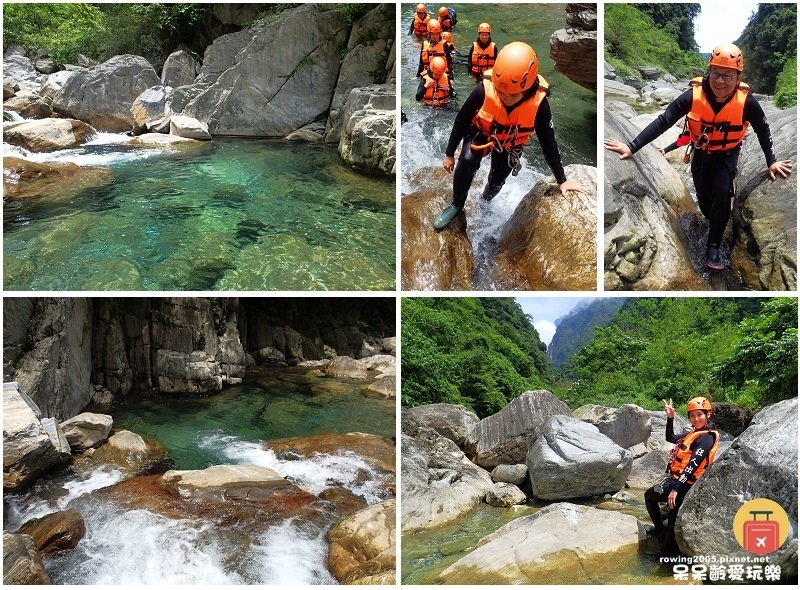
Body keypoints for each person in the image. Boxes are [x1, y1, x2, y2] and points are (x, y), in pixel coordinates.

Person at [604, 43, 792, 271]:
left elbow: (763, 130)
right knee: (704, 202)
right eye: (715, 73)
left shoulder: (747, 102)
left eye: (727, 76)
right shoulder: (693, 96)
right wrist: (632, 146)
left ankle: (713, 246)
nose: (720, 81)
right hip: (701, 153)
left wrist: (771, 161)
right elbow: (665, 120)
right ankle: (713, 221)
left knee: (723, 192)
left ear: (737, 76)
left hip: (727, 154)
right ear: (709, 71)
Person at [433, 41, 590, 230]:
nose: (505, 97)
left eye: (512, 95)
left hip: (510, 142)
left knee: (497, 180)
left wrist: (562, 180)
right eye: (501, 92)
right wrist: (449, 154)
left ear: (528, 86)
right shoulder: (484, 89)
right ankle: (457, 204)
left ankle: (485, 200)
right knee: (466, 161)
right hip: (482, 132)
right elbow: (461, 120)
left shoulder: (539, 105)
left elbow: (549, 143)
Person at [644, 396, 719, 556]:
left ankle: (665, 551)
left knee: (671, 520)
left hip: (686, 485)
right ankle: (660, 531)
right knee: (649, 496)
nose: (696, 419)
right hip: (677, 480)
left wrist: (676, 489)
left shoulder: (706, 437)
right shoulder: (693, 432)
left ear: (708, 414)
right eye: (692, 415)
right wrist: (670, 418)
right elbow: (670, 438)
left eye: (699, 415)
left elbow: (692, 465)